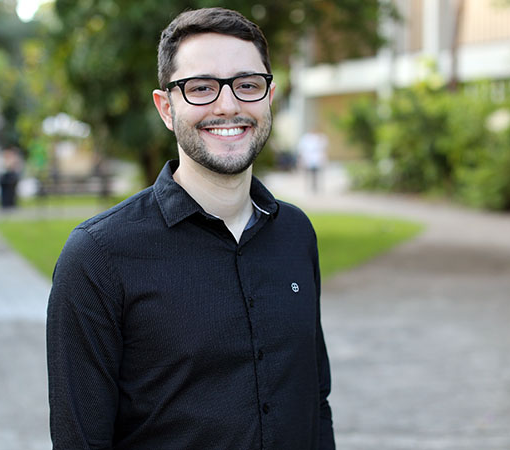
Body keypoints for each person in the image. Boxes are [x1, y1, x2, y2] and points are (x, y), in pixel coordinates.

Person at [47, 7, 335, 450]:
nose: (228, 105)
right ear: (166, 108)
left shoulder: (295, 233)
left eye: (247, 85)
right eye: (201, 88)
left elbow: (316, 401)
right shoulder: (99, 256)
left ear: (269, 96)